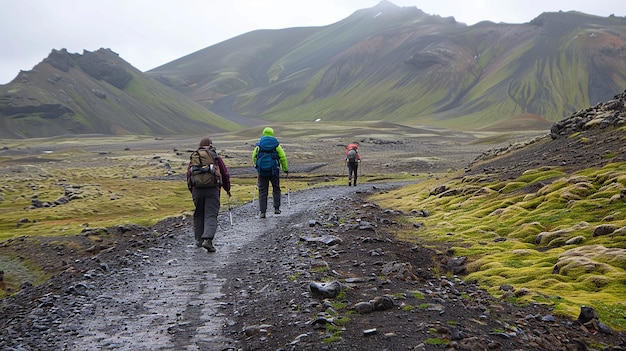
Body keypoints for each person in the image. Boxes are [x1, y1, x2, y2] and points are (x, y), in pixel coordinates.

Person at [186, 137, 231, 253]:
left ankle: (198, 240)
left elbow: (188, 175)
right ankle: (208, 240)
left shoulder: (194, 158)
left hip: (197, 190)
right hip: (213, 189)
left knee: (198, 214)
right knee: (211, 214)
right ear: (211, 145)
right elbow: (225, 174)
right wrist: (227, 189)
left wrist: (193, 190)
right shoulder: (215, 157)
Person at [252, 127, 288, 218]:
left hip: (262, 171)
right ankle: (276, 208)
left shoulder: (259, 144)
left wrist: (257, 166)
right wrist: (285, 169)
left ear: (264, 133)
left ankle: (263, 212)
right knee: (276, 188)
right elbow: (283, 156)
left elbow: (254, 156)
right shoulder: (276, 144)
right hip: (274, 170)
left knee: (263, 190)